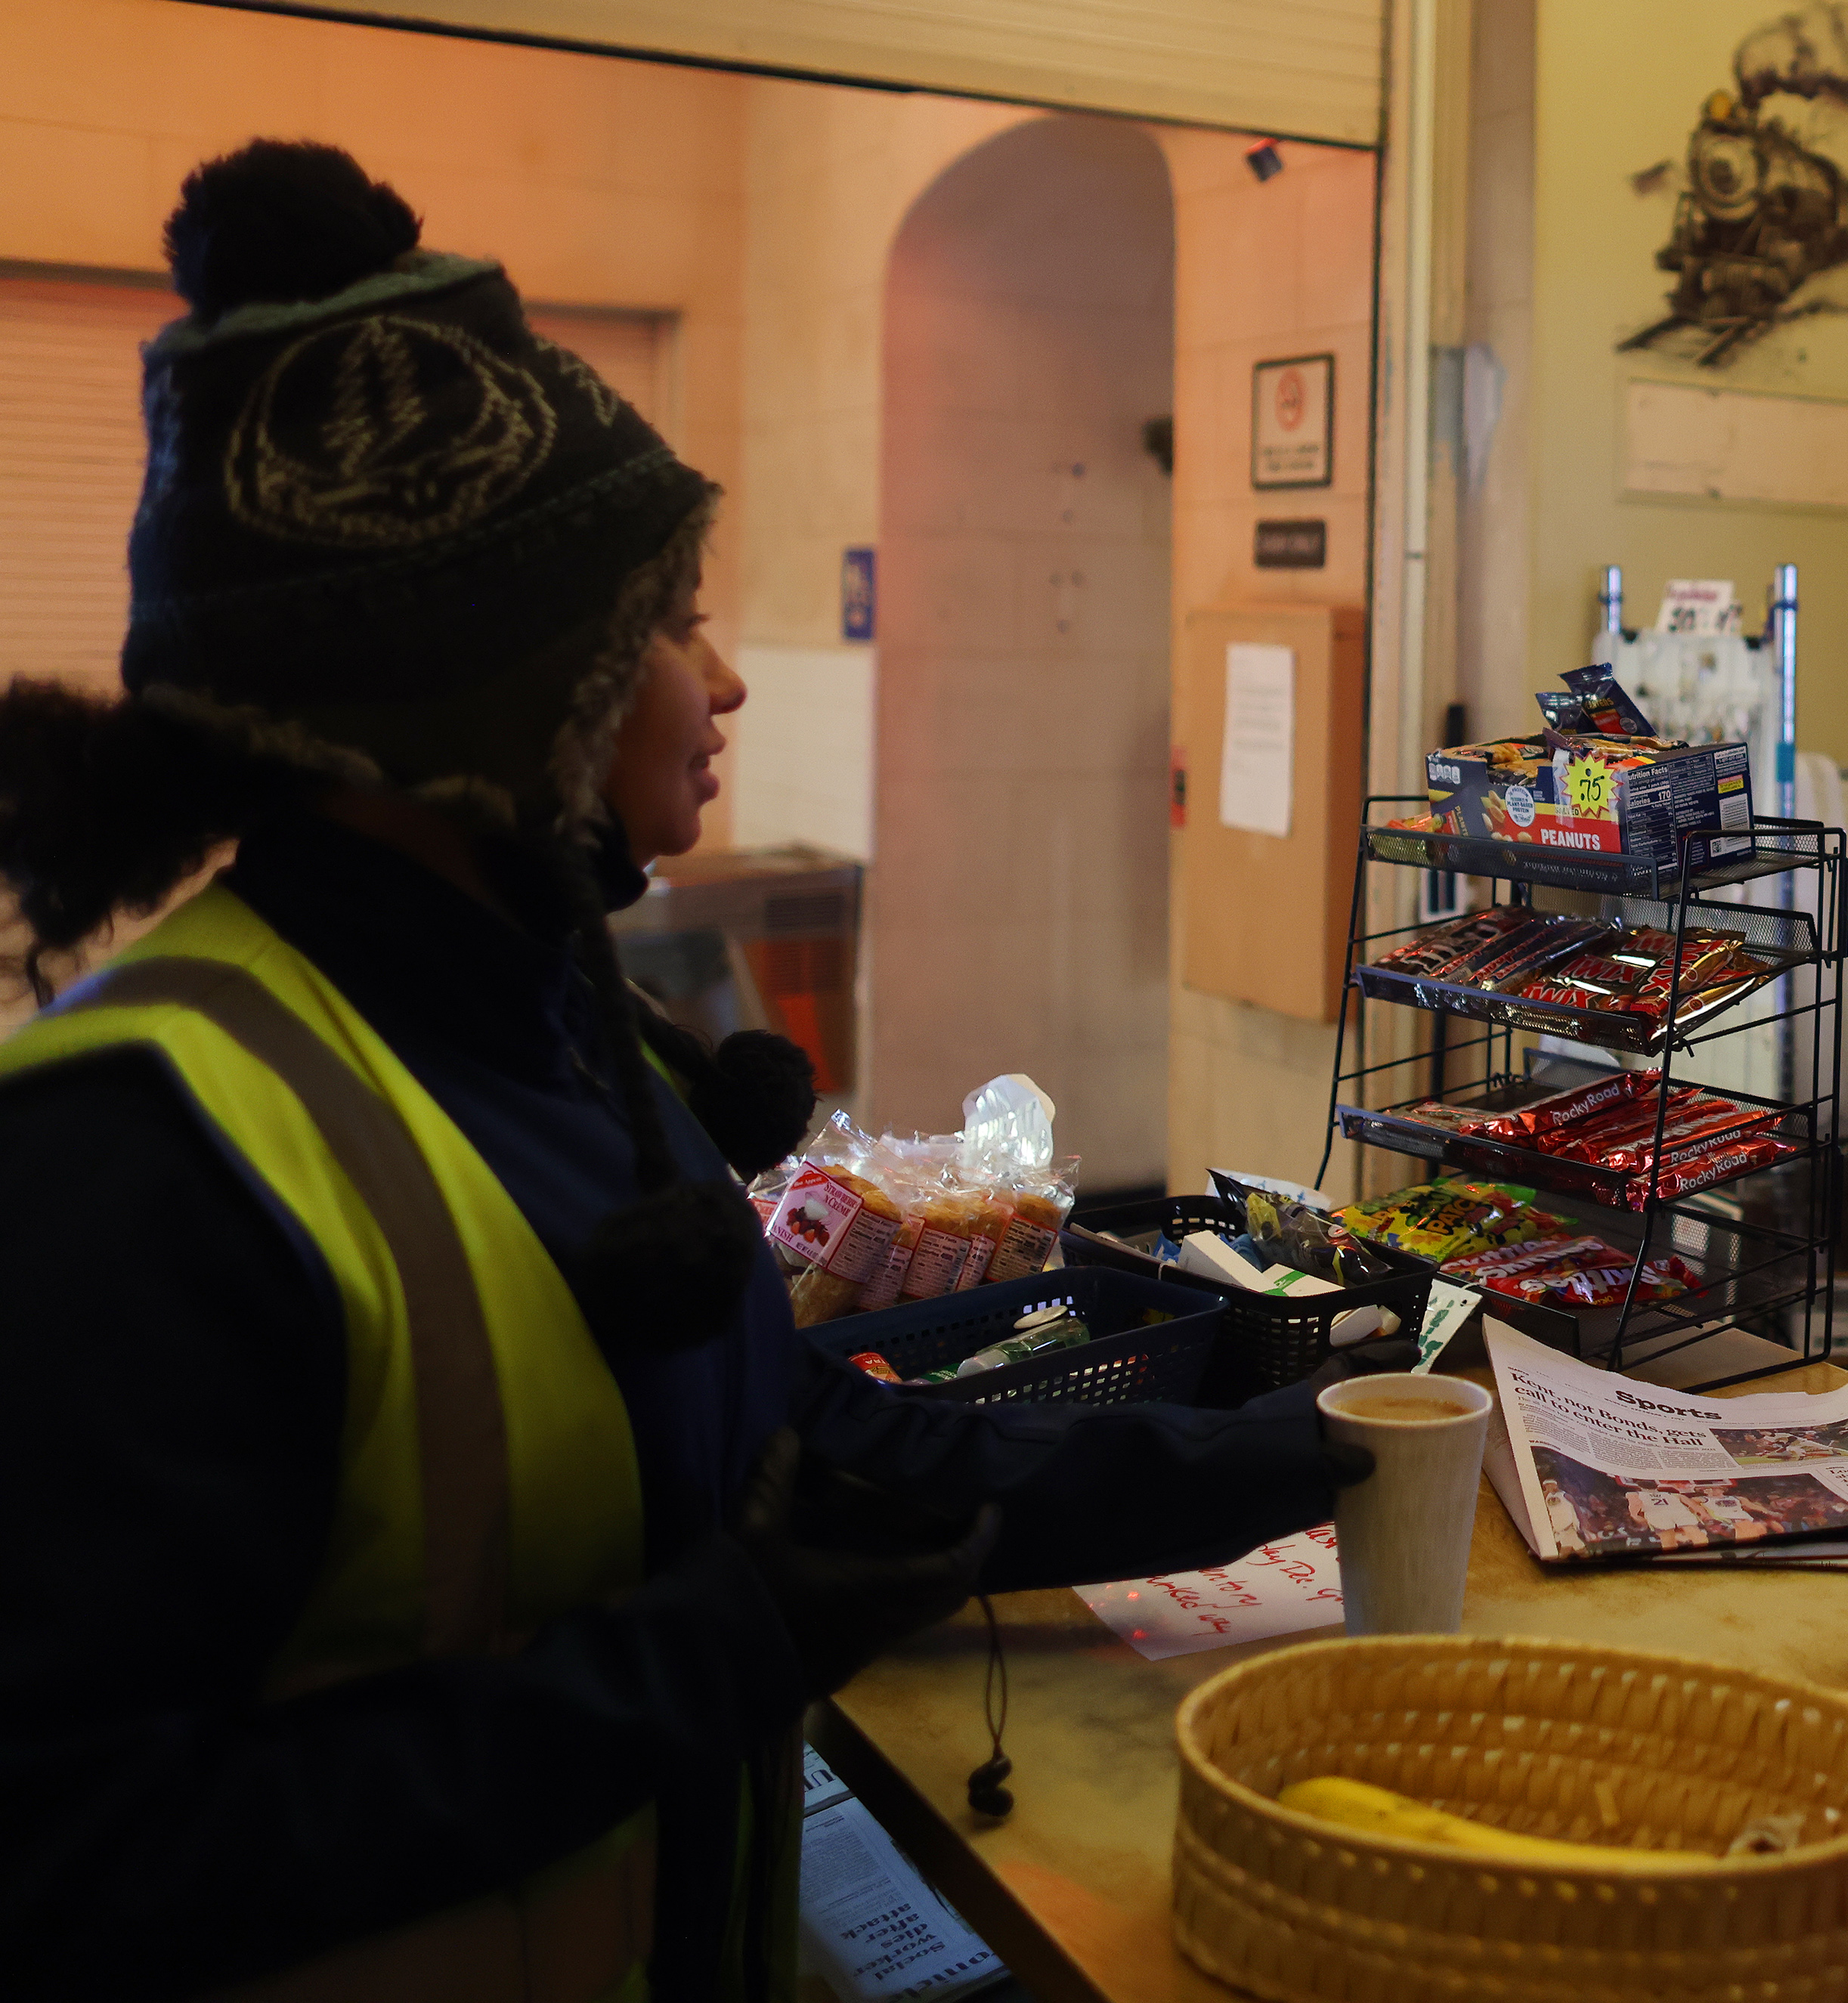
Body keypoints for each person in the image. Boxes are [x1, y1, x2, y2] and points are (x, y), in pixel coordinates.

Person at [0, 142, 1364, 2001]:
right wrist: (703, 1660)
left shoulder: (562, 1043)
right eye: (665, 621)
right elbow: (69, 1862)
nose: (721, 681)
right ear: (491, 690)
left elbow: (828, 1458)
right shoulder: (145, 1152)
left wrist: (1312, 1444)